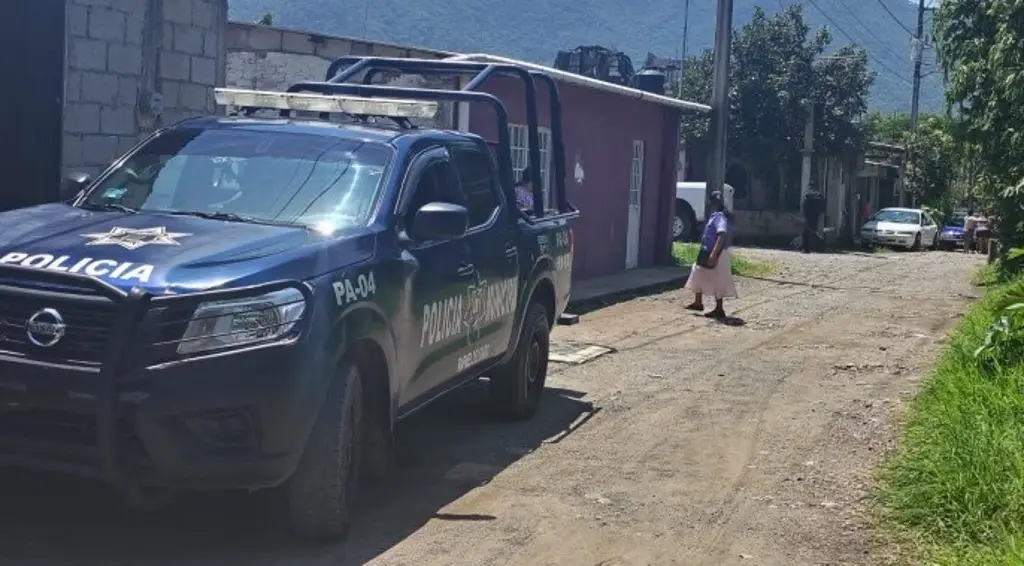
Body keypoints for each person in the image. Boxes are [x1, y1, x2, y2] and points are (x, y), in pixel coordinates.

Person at [684, 191, 737, 319]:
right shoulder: (715, 216)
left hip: (716, 253)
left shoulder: (719, 217)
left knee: (718, 280)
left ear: (711, 202)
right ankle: (698, 302)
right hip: (708, 251)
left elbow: (722, 234)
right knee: (697, 272)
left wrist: (714, 253)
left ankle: (719, 309)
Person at [801, 185, 825, 253]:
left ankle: (807, 249)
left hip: (808, 216)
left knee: (806, 233)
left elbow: (804, 207)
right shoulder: (819, 196)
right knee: (814, 231)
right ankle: (817, 246)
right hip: (815, 216)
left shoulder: (808, 196)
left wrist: (804, 215)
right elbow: (822, 207)